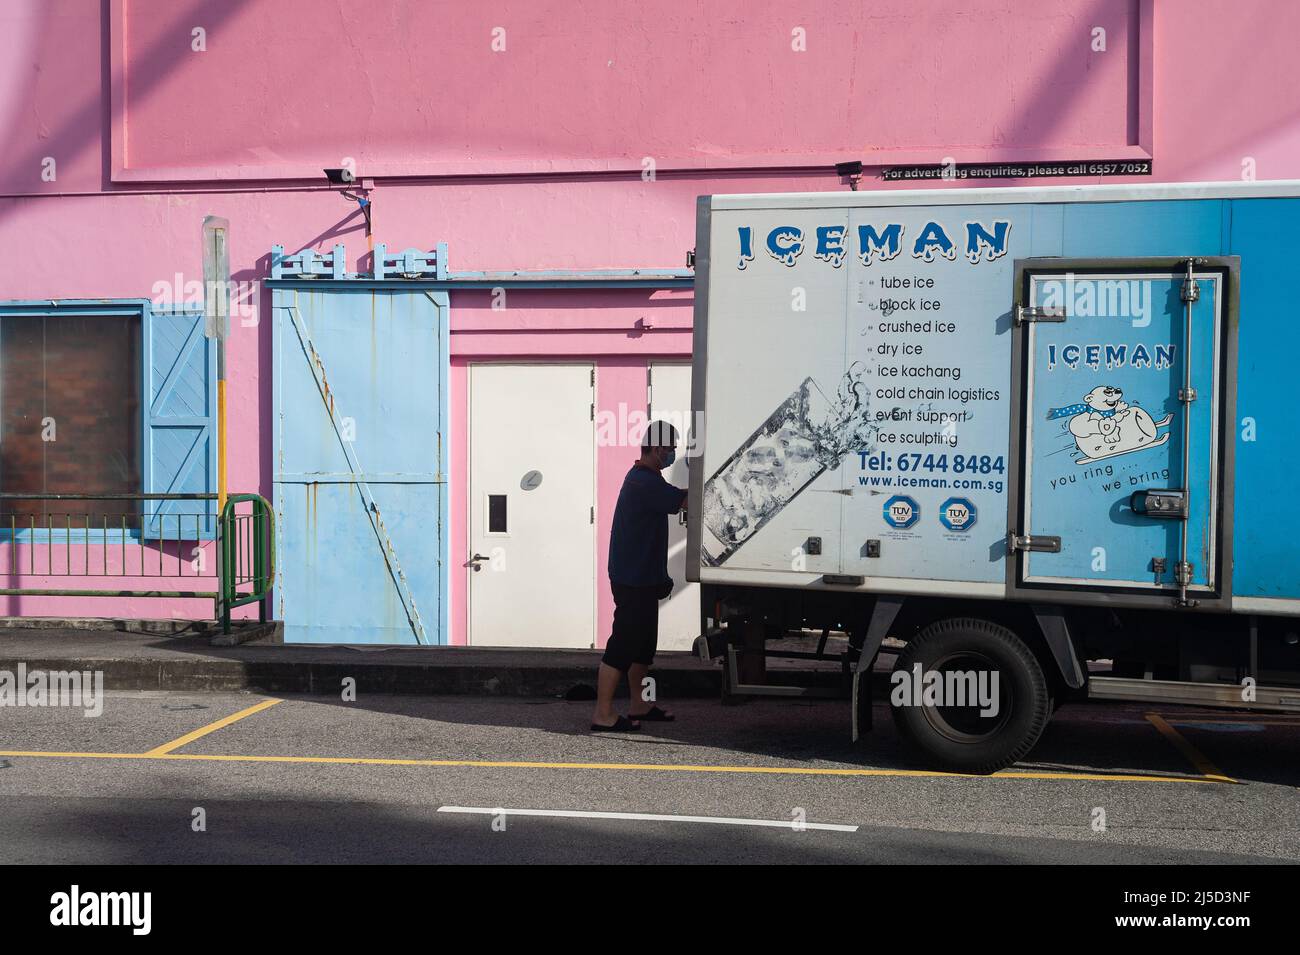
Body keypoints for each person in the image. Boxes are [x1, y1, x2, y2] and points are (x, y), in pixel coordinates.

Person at [591, 420, 687, 732]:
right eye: (671, 448)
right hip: (632, 580)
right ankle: (602, 714)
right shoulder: (643, 481)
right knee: (622, 644)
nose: (672, 453)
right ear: (657, 449)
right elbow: (681, 500)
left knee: (644, 647)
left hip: (643, 578)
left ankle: (639, 704)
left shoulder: (647, 479)